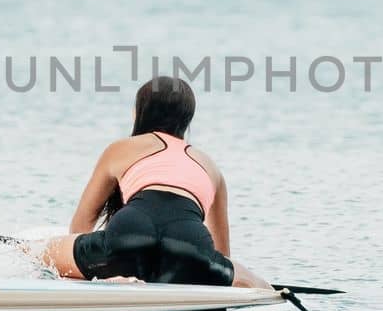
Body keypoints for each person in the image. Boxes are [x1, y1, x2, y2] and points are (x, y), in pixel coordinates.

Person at [40, 76, 272, 289]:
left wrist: (91, 265)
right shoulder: (211, 167)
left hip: (129, 231)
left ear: (138, 113)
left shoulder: (120, 149)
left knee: (43, 252)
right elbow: (222, 254)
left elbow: (80, 226)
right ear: (187, 119)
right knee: (254, 282)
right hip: (191, 244)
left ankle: (115, 275)